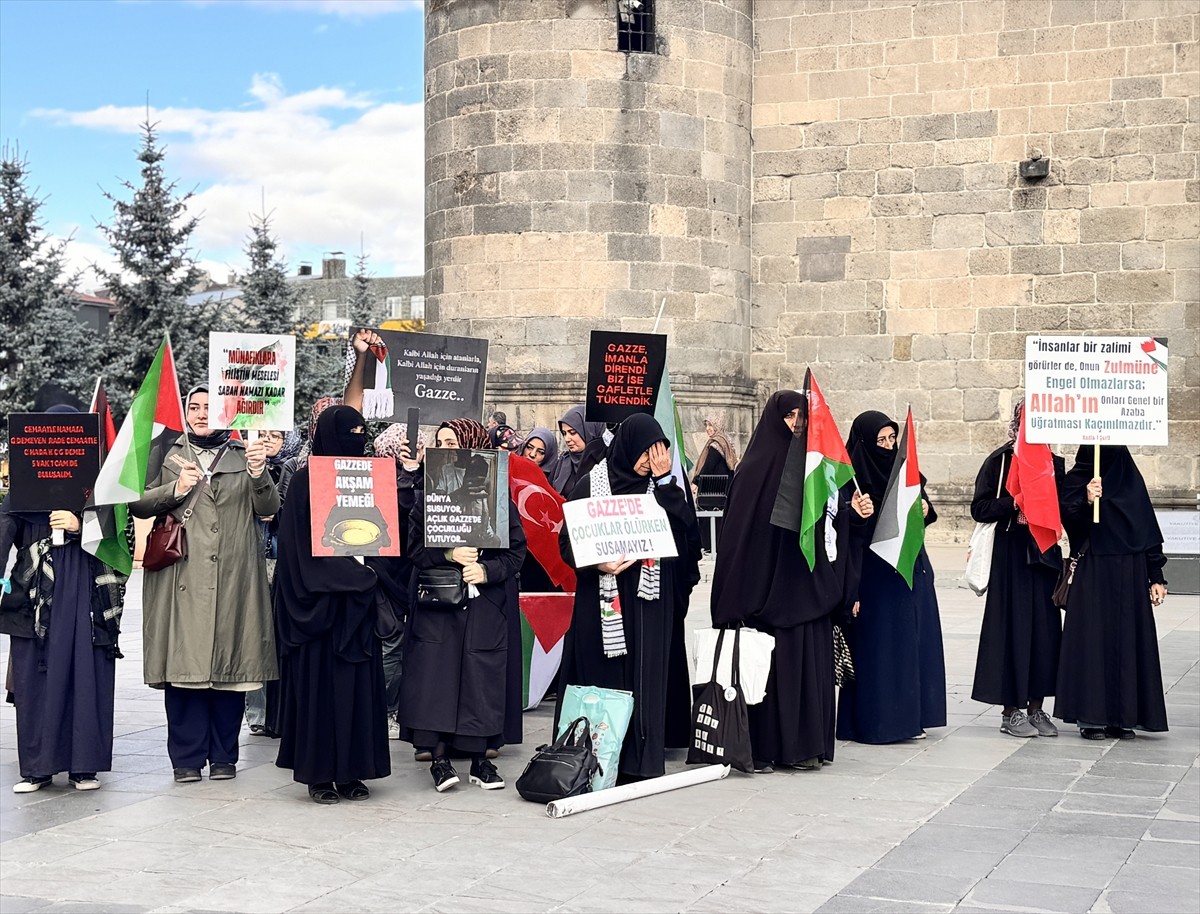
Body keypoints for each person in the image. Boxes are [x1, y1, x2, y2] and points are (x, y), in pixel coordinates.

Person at [711, 392, 871, 772]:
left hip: (806, 589)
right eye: (790, 416)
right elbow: (739, 540)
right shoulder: (753, 470)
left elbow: (827, 527)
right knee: (769, 678)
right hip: (765, 596)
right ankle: (766, 750)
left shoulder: (814, 472)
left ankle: (806, 748)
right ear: (774, 419)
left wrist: (854, 516)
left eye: (802, 417)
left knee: (807, 671)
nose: (797, 424)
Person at [130, 386, 279, 782]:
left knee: (230, 671)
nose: (199, 413)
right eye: (193, 407)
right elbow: (137, 502)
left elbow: (268, 509)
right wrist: (174, 489)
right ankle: (186, 759)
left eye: (208, 407)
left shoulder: (242, 452)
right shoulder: (168, 450)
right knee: (185, 670)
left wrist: (259, 471)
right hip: (182, 577)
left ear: (227, 413)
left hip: (234, 579)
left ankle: (224, 756)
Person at [556, 414, 701, 782]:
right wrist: (597, 563)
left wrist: (668, 483)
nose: (650, 460)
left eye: (659, 451)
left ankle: (641, 760)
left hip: (649, 604)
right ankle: (595, 758)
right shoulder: (593, 483)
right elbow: (566, 541)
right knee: (602, 673)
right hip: (601, 599)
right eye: (645, 451)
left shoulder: (661, 489)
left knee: (646, 677)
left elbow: (686, 534)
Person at [400, 416, 527, 791]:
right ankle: (438, 758)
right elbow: (414, 550)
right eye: (440, 442)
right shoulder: (428, 495)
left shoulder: (497, 496)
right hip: (440, 605)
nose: (446, 449)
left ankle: (479, 760)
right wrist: (449, 554)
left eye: (453, 441)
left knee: (481, 678)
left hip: (485, 604)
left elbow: (516, 552)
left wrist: (486, 571)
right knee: (437, 678)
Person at [1, 408, 124, 793]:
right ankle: (36, 768)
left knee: (86, 675)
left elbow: (119, 532)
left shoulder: (100, 486)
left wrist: (79, 523)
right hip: (35, 594)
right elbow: (4, 528)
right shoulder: (22, 488)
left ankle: (83, 767)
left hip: (87, 589)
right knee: (35, 677)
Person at [274, 406, 392, 803]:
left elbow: (384, 536)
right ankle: (320, 775)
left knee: (357, 691)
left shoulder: (371, 480)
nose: (357, 437)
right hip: (320, 610)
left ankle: (354, 772)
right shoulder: (308, 482)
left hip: (357, 611)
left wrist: (372, 574)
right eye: (349, 431)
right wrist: (354, 578)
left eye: (362, 430)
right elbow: (298, 551)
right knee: (320, 692)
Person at [836, 410, 947, 745]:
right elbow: (840, 528)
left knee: (913, 645)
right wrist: (855, 514)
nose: (887, 446)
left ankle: (913, 716)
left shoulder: (902, 470)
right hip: (873, 578)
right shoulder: (850, 480)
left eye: (892, 438)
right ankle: (879, 722)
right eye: (880, 440)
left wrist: (926, 511)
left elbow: (919, 504)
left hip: (910, 573)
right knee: (879, 650)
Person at [1055, 446, 1169, 740]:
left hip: (1131, 572)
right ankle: (1091, 718)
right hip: (1094, 569)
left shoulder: (1130, 481)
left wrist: (1156, 576)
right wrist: (1086, 498)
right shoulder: (1078, 479)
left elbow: (1147, 531)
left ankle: (1123, 717)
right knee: (1093, 642)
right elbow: (1070, 523)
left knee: (1127, 642)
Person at [970, 403, 1064, 739]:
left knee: (1044, 632)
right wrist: (1016, 501)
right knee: (1012, 630)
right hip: (1010, 559)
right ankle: (1011, 711)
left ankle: (1037, 708)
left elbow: (1066, 509)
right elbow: (979, 508)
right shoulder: (1001, 461)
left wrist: (1086, 494)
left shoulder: (1055, 464)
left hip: (1044, 557)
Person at [369, 422, 423, 742]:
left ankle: (392, 707)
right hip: (390, 574)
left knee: (392, 642)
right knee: (392, 642)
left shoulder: (403, 479)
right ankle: (388, 709)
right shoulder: (397, 483)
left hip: (391, 573)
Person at [245, 427, 301, 738]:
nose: (267, 440)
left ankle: (279, 712)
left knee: (279, 639)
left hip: (283, 562)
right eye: (262, 434)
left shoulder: (294, 468)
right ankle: (257, 712)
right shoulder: (244, 469)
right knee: (255, 637)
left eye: (275, 436)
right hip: (253, 561)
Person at [691, 417, 738, 553]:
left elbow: (708, 467)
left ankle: (709, 546)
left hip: (713, 489)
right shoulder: (725, 441)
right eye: (706, 425)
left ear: (717, 425)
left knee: (709, 517)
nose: (708, 429)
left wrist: (696, 482)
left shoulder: (715, 444)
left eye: (711, 425)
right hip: (723, 489)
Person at [547, 405, 606, 498]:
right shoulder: (562, 462)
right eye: (564, 433)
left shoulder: (605, 463)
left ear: (588, 430)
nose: (567, 439)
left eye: (572, 432)